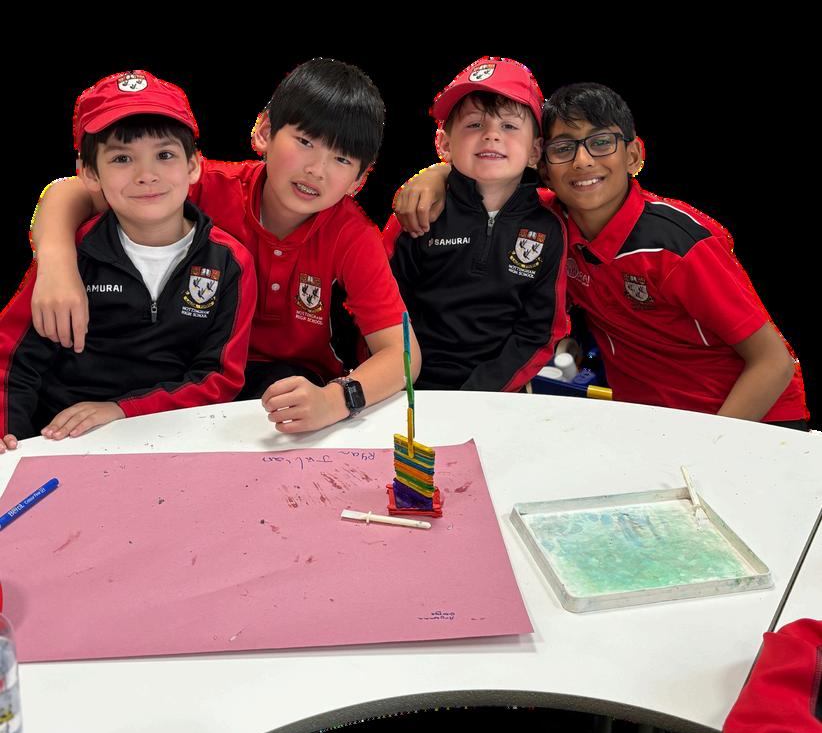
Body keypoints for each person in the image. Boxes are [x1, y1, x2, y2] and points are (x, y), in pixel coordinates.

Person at [26, 59, 420, 435]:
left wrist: (335, 400)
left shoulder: (352, 234)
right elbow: (70, 191)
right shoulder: (204, 186)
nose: (316, 169)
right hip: (187, 376)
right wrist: (57, 264)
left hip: (291, 388)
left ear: (359, 181)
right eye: (304, 141)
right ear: (264, 131)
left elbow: (403, 355)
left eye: (341, 159)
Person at [394, 82, 807, 425]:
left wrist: (710, 447)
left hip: (751, 422)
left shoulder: (678, 245)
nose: (582, 161)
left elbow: (774, 363)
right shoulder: (549, 224)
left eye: (601, 143)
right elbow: (487, 192)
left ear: (634, 155)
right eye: (564, 148)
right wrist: (437, 174)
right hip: (647, 421)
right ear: (543, 165)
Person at [0, 69, 256, 452]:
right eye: (122, 158)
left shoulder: (230, 262)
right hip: (64, 437)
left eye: (164, 155)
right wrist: (9, 441)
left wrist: (123, 411)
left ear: (193, 166)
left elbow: (218, 378)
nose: (146, 175)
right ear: (89, 174)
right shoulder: (72, 255)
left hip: (173, 435)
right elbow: (12, 363)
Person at [383, 56, 567, 390]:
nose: (491, 135)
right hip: (409, 387)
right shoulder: (417, 212)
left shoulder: (549, 227)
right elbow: (381, 312)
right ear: (444, 143)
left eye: (509, 126)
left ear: (535, 150)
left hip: (498, 392)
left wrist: (481, 395)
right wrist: (398, 383)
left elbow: (538, 332)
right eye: (474, 124)